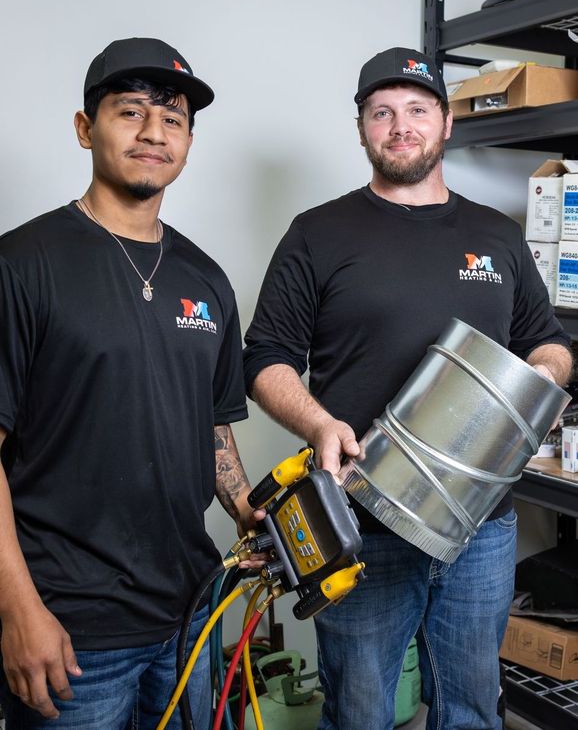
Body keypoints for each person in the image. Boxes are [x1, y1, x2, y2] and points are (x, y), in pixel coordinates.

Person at [243, 46, 573, 730]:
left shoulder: (495, 235)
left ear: (446, 124)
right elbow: (266, 357)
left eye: (418, 110)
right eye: (382, 112)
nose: (401, 126)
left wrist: (541, 378)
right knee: (361, 708)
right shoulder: (318, 234)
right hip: (363, 519)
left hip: (482, 524)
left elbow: (547, 338)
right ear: (361, 127)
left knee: (473, 707)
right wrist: (317, 424)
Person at [0, 37, 260, 729]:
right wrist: (19, 611)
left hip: (188, 614)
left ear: (188, 141)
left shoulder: (205, 278)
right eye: (131, 112)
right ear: (86, 128)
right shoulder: (22, 264)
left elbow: (208, 424)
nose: (154, 133)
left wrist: (248, 511)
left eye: (173, 119)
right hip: (70, 631)